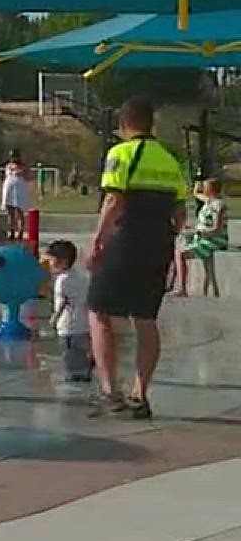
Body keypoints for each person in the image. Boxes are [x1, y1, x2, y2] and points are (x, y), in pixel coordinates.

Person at [87, 95, 190, 420]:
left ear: (123, 124)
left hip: (125, 240)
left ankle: (109, 390)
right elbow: (180, 212)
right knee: (145, 319)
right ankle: (140, 393)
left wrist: (97, 241)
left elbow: (113, 201)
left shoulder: (120, 153)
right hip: (157, 243)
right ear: (151, 124)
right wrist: (169, 242)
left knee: (99, 311)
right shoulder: (170, 159)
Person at [47, 239, 92, 385]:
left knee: (69, 352)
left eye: (51, 260)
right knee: (80, 350)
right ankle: (85, 371)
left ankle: (74, 375)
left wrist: (54, 319)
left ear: (63, 261)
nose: (49, 264)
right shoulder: (82, 277)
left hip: (67, 325)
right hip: (84, 323)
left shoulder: (62, 281)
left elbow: (62, 303)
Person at [179, 178, 228, 297]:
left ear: (211, 189)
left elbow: (217, 228)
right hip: (204, 237)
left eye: (205, 187)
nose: (203, 189)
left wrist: (200, 231)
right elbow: (196, 194)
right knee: (208, 268)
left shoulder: (218, 205)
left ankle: (182, 288)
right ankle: (214, 292)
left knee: (180, 254)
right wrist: (197, 182)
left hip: (213, 240)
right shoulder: (208, 201)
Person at [1, 151, 32, 241]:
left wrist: (23, 172)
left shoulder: (24, 167)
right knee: (10, 213)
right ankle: (11, 232)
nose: (13, 159)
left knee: (20, 213)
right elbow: (5, 177)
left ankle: (20, 233)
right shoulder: (8, 166)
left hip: (19, 190)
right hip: (9, 189)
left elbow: (29, 177)